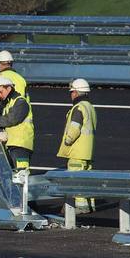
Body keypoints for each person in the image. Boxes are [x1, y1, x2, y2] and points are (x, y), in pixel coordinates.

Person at [57, 78, 97, 213]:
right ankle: (89, 204)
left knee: (76, 179)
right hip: (88, 151)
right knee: (86, 180)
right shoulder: (90, 108)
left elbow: (75, 128)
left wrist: (67, 140)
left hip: (77, 151)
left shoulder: (79, 108)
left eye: (72, 92)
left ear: (76, 92)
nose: (71, 94)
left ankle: (81, 206)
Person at [0, 73, 34, 182]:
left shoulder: (20, 102)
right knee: (15, 177)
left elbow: (12, 118)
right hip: (13, 144)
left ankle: (26, 199)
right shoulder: (9, 103)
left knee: (22, 178)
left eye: (1, 92)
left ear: (9, 88)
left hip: (21, 144)